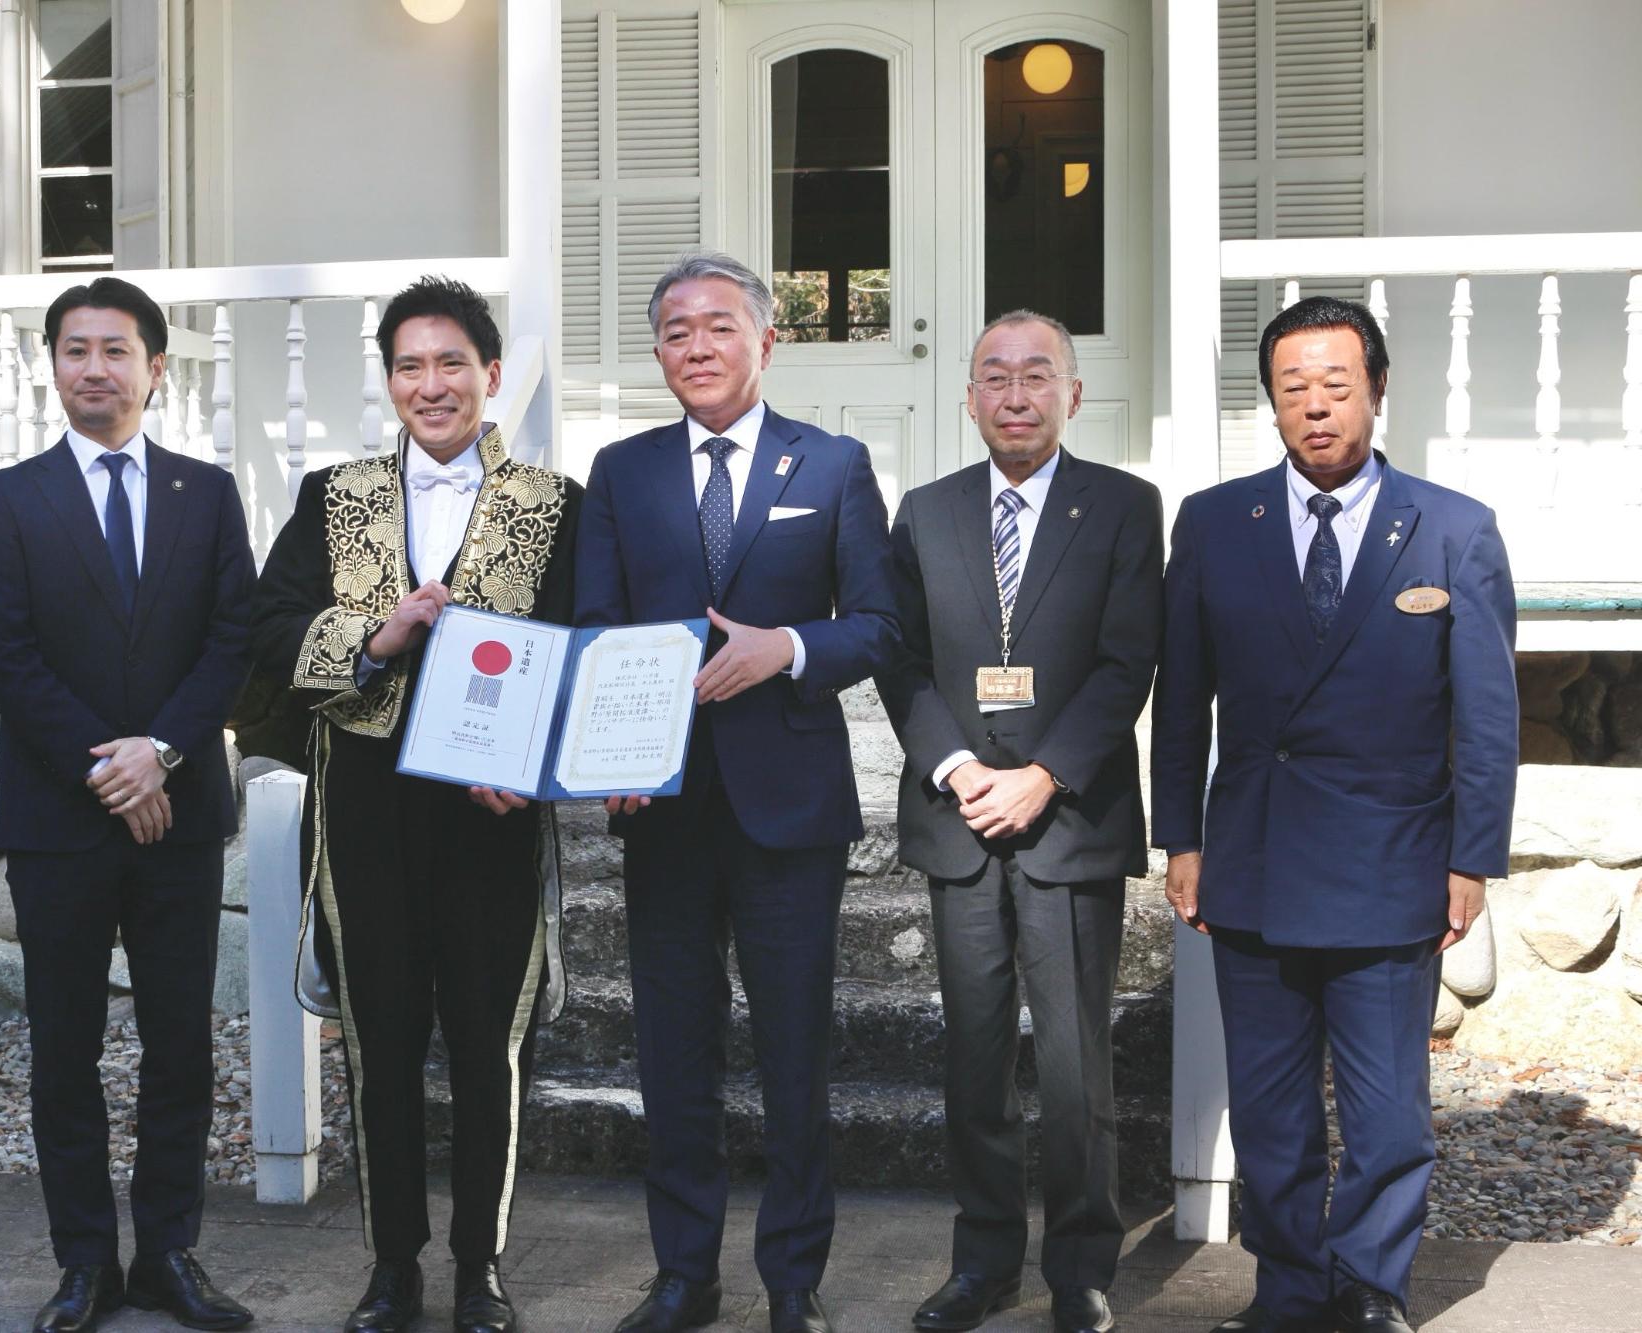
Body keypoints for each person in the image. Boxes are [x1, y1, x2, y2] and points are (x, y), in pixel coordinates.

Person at [1152, 296, 1517, 1333]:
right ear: (1267, 403)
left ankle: (1366, 1285)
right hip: (1252, 855)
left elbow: (1484, 716)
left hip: (1390, 859)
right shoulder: (1217, 522)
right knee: (1267, 1109)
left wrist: (1470, 858)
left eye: (1334, 386)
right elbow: (1181, 696)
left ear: (1376, 389)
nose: (1314, 409)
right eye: (1291, 389)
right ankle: (1285, 1284)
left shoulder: (1450, 529)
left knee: (1385, 1109)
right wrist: (1178, 834)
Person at [573, 252, 899, 1333]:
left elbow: (878, 626)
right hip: (660, 806)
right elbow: (593, 628)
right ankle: (683, 1277)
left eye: (717, 327)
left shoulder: (835, 464)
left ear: (766, 340)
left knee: (794, 1049)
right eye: (674, 331)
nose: (696, 347)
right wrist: (611, 752)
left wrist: (786, 650)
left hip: (788, 806)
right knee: (674, 1051)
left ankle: (792, 1283)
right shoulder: (621, 472)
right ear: (658, 350)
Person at [248, 276, 581, 1333]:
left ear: (490, 375)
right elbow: (262, 639)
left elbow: (580, 647)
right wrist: (374, 639)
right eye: (407, 365)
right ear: (386, 379)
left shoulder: (553, 503)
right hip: (365, 808)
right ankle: (392, 1264)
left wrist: (534, 760)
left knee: (487, 1044)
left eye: (450, 364)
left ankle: (479, 1265)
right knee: (382, 1040)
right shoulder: (330, 495)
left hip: (490, 809)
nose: (429, 385)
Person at [0, 275, 257, 1333]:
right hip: (60, 817)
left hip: (179, 817)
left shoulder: (206, 493)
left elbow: (234, 637)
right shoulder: (10, 498)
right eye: (76, 349)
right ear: (54, 366)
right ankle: (84, 1262)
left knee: (181, 1045)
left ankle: (170, 1254)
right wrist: (109, 766)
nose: (95, 366)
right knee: (66, 1046)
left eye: (116, 349)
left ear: (155, 367)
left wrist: (163, 753)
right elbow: (0, 649)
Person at [877, 311, 1162, 1333]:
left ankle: (1080, 1265)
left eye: (1034, 375)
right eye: (992, 377)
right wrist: (956, 768)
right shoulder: (923, 512)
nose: (1013, 394)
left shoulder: (1124, 507)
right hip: (959, 821)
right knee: (974, 1052)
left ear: (1070, 394)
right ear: (967, 397)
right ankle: (983, 1258)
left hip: (1064, 820)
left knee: (1075, 1059)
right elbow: (897, 659)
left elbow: (1126, 660)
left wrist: (1044, 773)